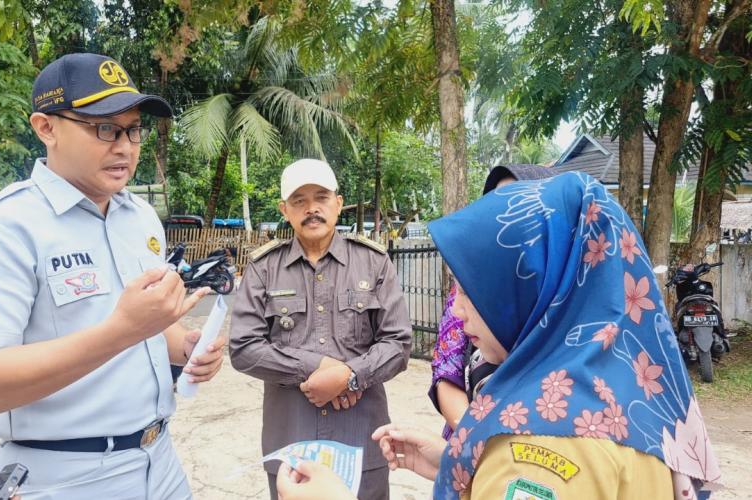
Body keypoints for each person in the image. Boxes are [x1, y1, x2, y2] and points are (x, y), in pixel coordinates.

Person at [282, 172, 722, 499]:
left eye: (472, 290)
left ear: (529, 290)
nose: (455, 308)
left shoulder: (541, 443)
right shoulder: (620, 388)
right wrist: (458, 464)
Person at [0, 53, 224, 499]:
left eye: (133, 129)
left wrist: (180, 345)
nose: (125, 146)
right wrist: (120, 331)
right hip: (62, 475)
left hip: (161, 462)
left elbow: (143, 324)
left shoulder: (139, 217)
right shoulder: (2, 228)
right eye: (104, 128)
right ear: (46, 128)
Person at [230, 158, 412, 500]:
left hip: (361, 444)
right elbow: (243, 348)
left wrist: (350, 375)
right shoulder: (263, 268)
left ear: (338, 204)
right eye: (299, 200)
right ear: (285, 210)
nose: (311, 208)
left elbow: (398, 343)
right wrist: (316, 368)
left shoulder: (374, 262)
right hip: (291, 444)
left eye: (321, 197)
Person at [430, 164, 553, 438]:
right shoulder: (464, 293)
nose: (504, 218)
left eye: (515, 204)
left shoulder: (567, 307)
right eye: (495, 205)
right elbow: (446, 370)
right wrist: (475, 447)